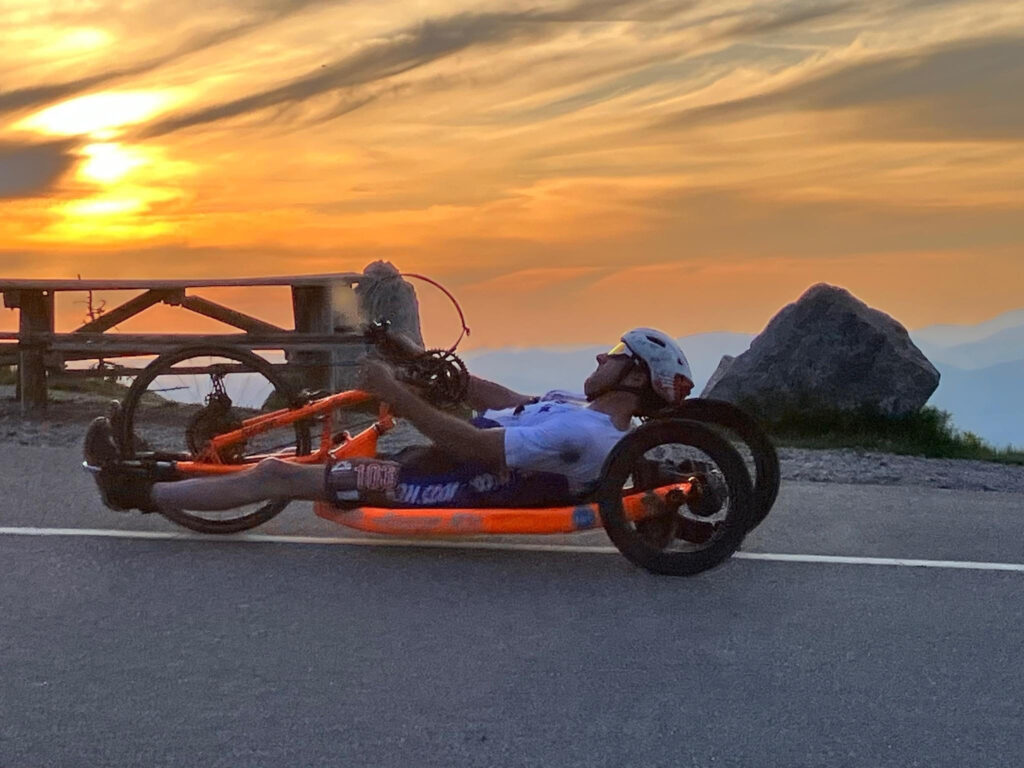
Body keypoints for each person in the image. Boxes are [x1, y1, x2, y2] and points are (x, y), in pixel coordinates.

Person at [83, 328, 694, 514]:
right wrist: (416, 361)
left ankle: (133, 491)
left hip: (438, 487)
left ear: (636, 379)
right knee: (299, 461)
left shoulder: (584, 433)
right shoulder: (572, 409)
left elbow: (472, 443)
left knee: (281, 474)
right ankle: (149, 465)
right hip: (446, 465)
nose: (599, 357)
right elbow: (501, 399)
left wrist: (396, 396)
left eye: (615, 357)